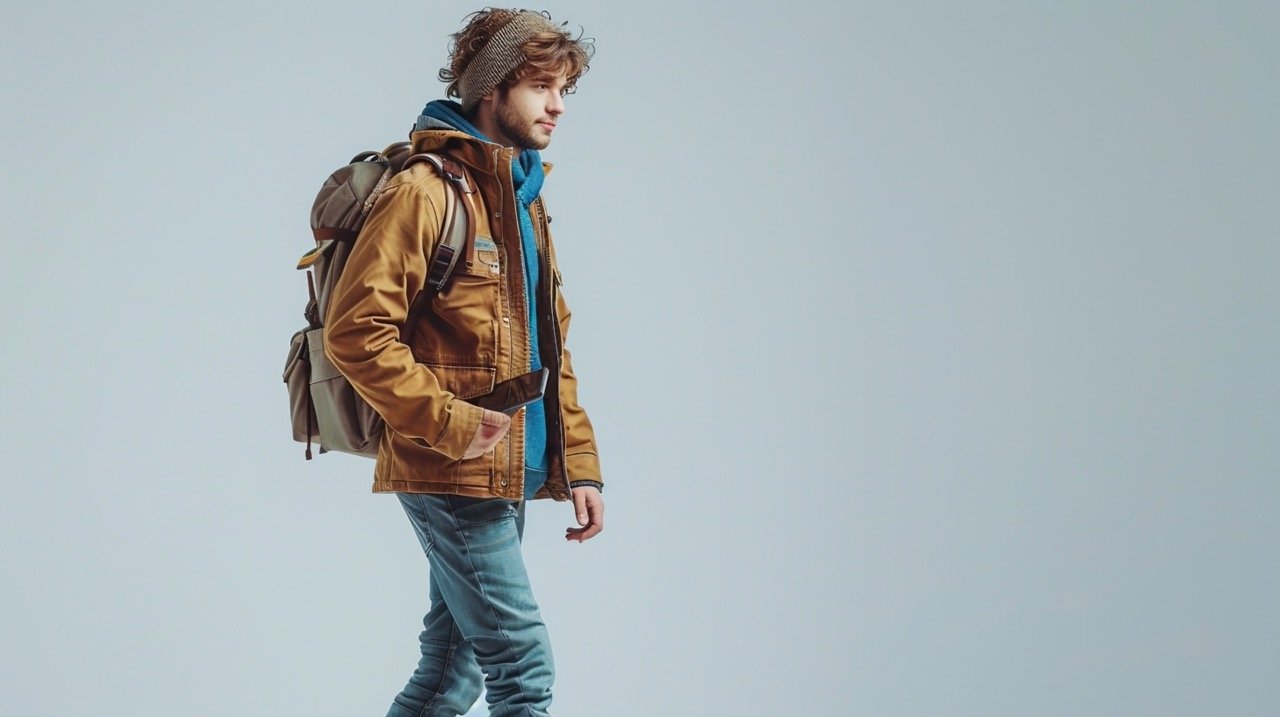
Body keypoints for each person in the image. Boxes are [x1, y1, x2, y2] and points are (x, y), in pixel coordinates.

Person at [323, 9, 604, 716]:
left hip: (508, 466)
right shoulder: (423, 191)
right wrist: (450, 422)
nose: (558, 105)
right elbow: (356, 330)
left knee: (453, 672)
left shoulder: (521, 197)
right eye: (542, 86)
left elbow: (551, 345)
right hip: (452, 466)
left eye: (565, 87)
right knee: (523, 666)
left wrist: (580, 464)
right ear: (492, 88)